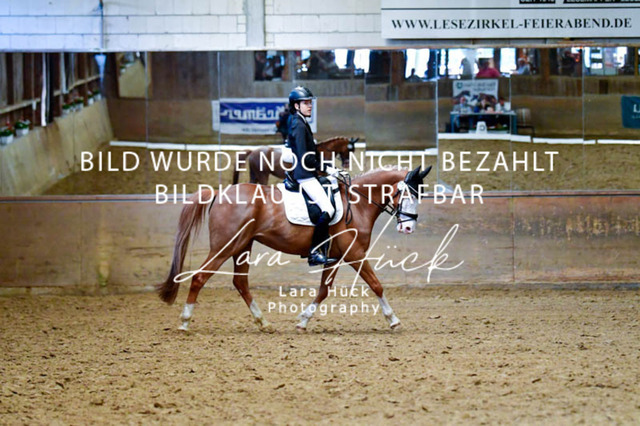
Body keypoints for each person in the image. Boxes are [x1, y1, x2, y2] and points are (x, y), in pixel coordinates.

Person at [286, 86, 341, 266]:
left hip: (308, 172)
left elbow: (313, 154)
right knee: (328, 209)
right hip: (305, 175)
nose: (310, 106)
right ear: (296, 106)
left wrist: (329, 167)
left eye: (310, 103)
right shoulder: (298, 124)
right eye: (306, 103)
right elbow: (306, 157)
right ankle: (314, 252)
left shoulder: (301, 121)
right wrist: (327, 169)